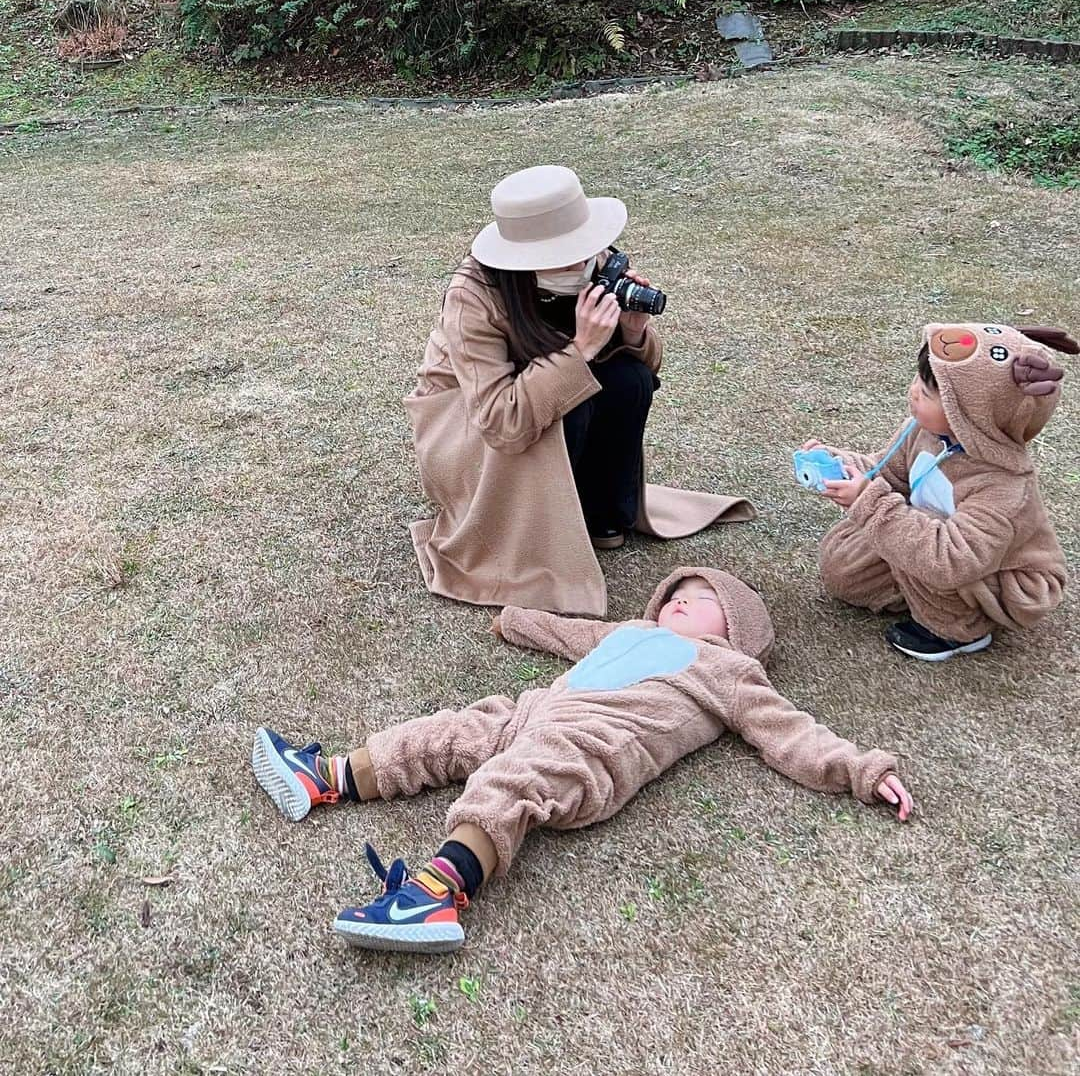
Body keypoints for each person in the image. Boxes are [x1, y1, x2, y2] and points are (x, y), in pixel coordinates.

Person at [251, 566, 913, 954]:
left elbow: (791, 732)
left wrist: (863, 769)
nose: (679, 598)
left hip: (592, 748)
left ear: (736, 624)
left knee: (510, 782)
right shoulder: (632, 630)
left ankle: (433, 895)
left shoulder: (732, 672)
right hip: (530, 713)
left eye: (700, 598)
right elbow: (569, 632)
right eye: (674, 593)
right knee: (451, 731)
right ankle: (326, 776)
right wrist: (514, 619)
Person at [404, 164, 754, 617]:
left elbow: (644, 370)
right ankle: (544, 525)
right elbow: (501, 423)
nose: (582, 262)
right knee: (567, 404)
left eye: (585, 248)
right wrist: (581, 349)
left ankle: (602, 514)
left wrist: (632, 332)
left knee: (630, 380)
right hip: (468, 422)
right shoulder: (474, 295)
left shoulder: (598, 261)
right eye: (566, 254)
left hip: (540, 391)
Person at [805, 322, 1075, 660]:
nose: (913, 392)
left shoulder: (1002, 486)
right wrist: (839, 464)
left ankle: (960, 630)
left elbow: (953, 559)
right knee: (845, 570)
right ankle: (919, 591)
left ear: (974, 417)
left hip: (998, 575)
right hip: (934, 540)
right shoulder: (923, 432)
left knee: (922, 537)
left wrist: (867, 502)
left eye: (930, 393)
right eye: (919, 380)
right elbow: (886, 472)